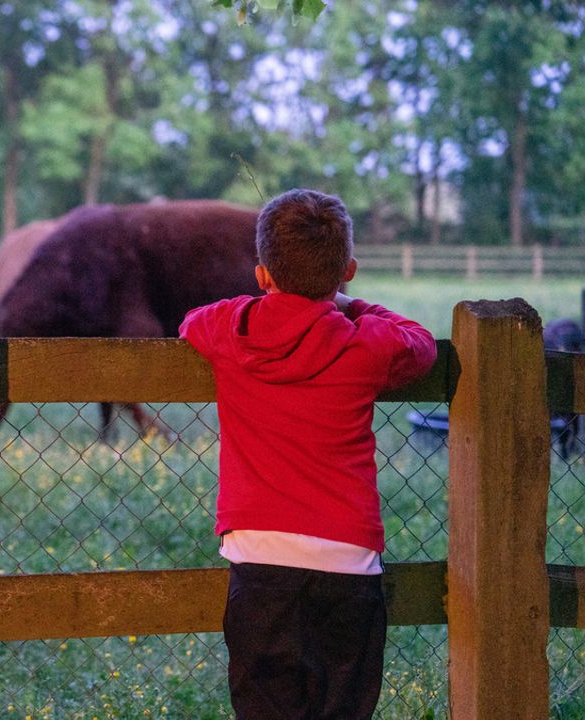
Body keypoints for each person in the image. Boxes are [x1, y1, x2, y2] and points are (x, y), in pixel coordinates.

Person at [179, 188, 437, 719]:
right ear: (348, 270)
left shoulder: (233, 328)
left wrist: (267, 301)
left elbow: (190, 323)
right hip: (347, 562)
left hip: (259, 559)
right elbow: (420, 342)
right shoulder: (365, 343)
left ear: (262, 275)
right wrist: (352, 305)